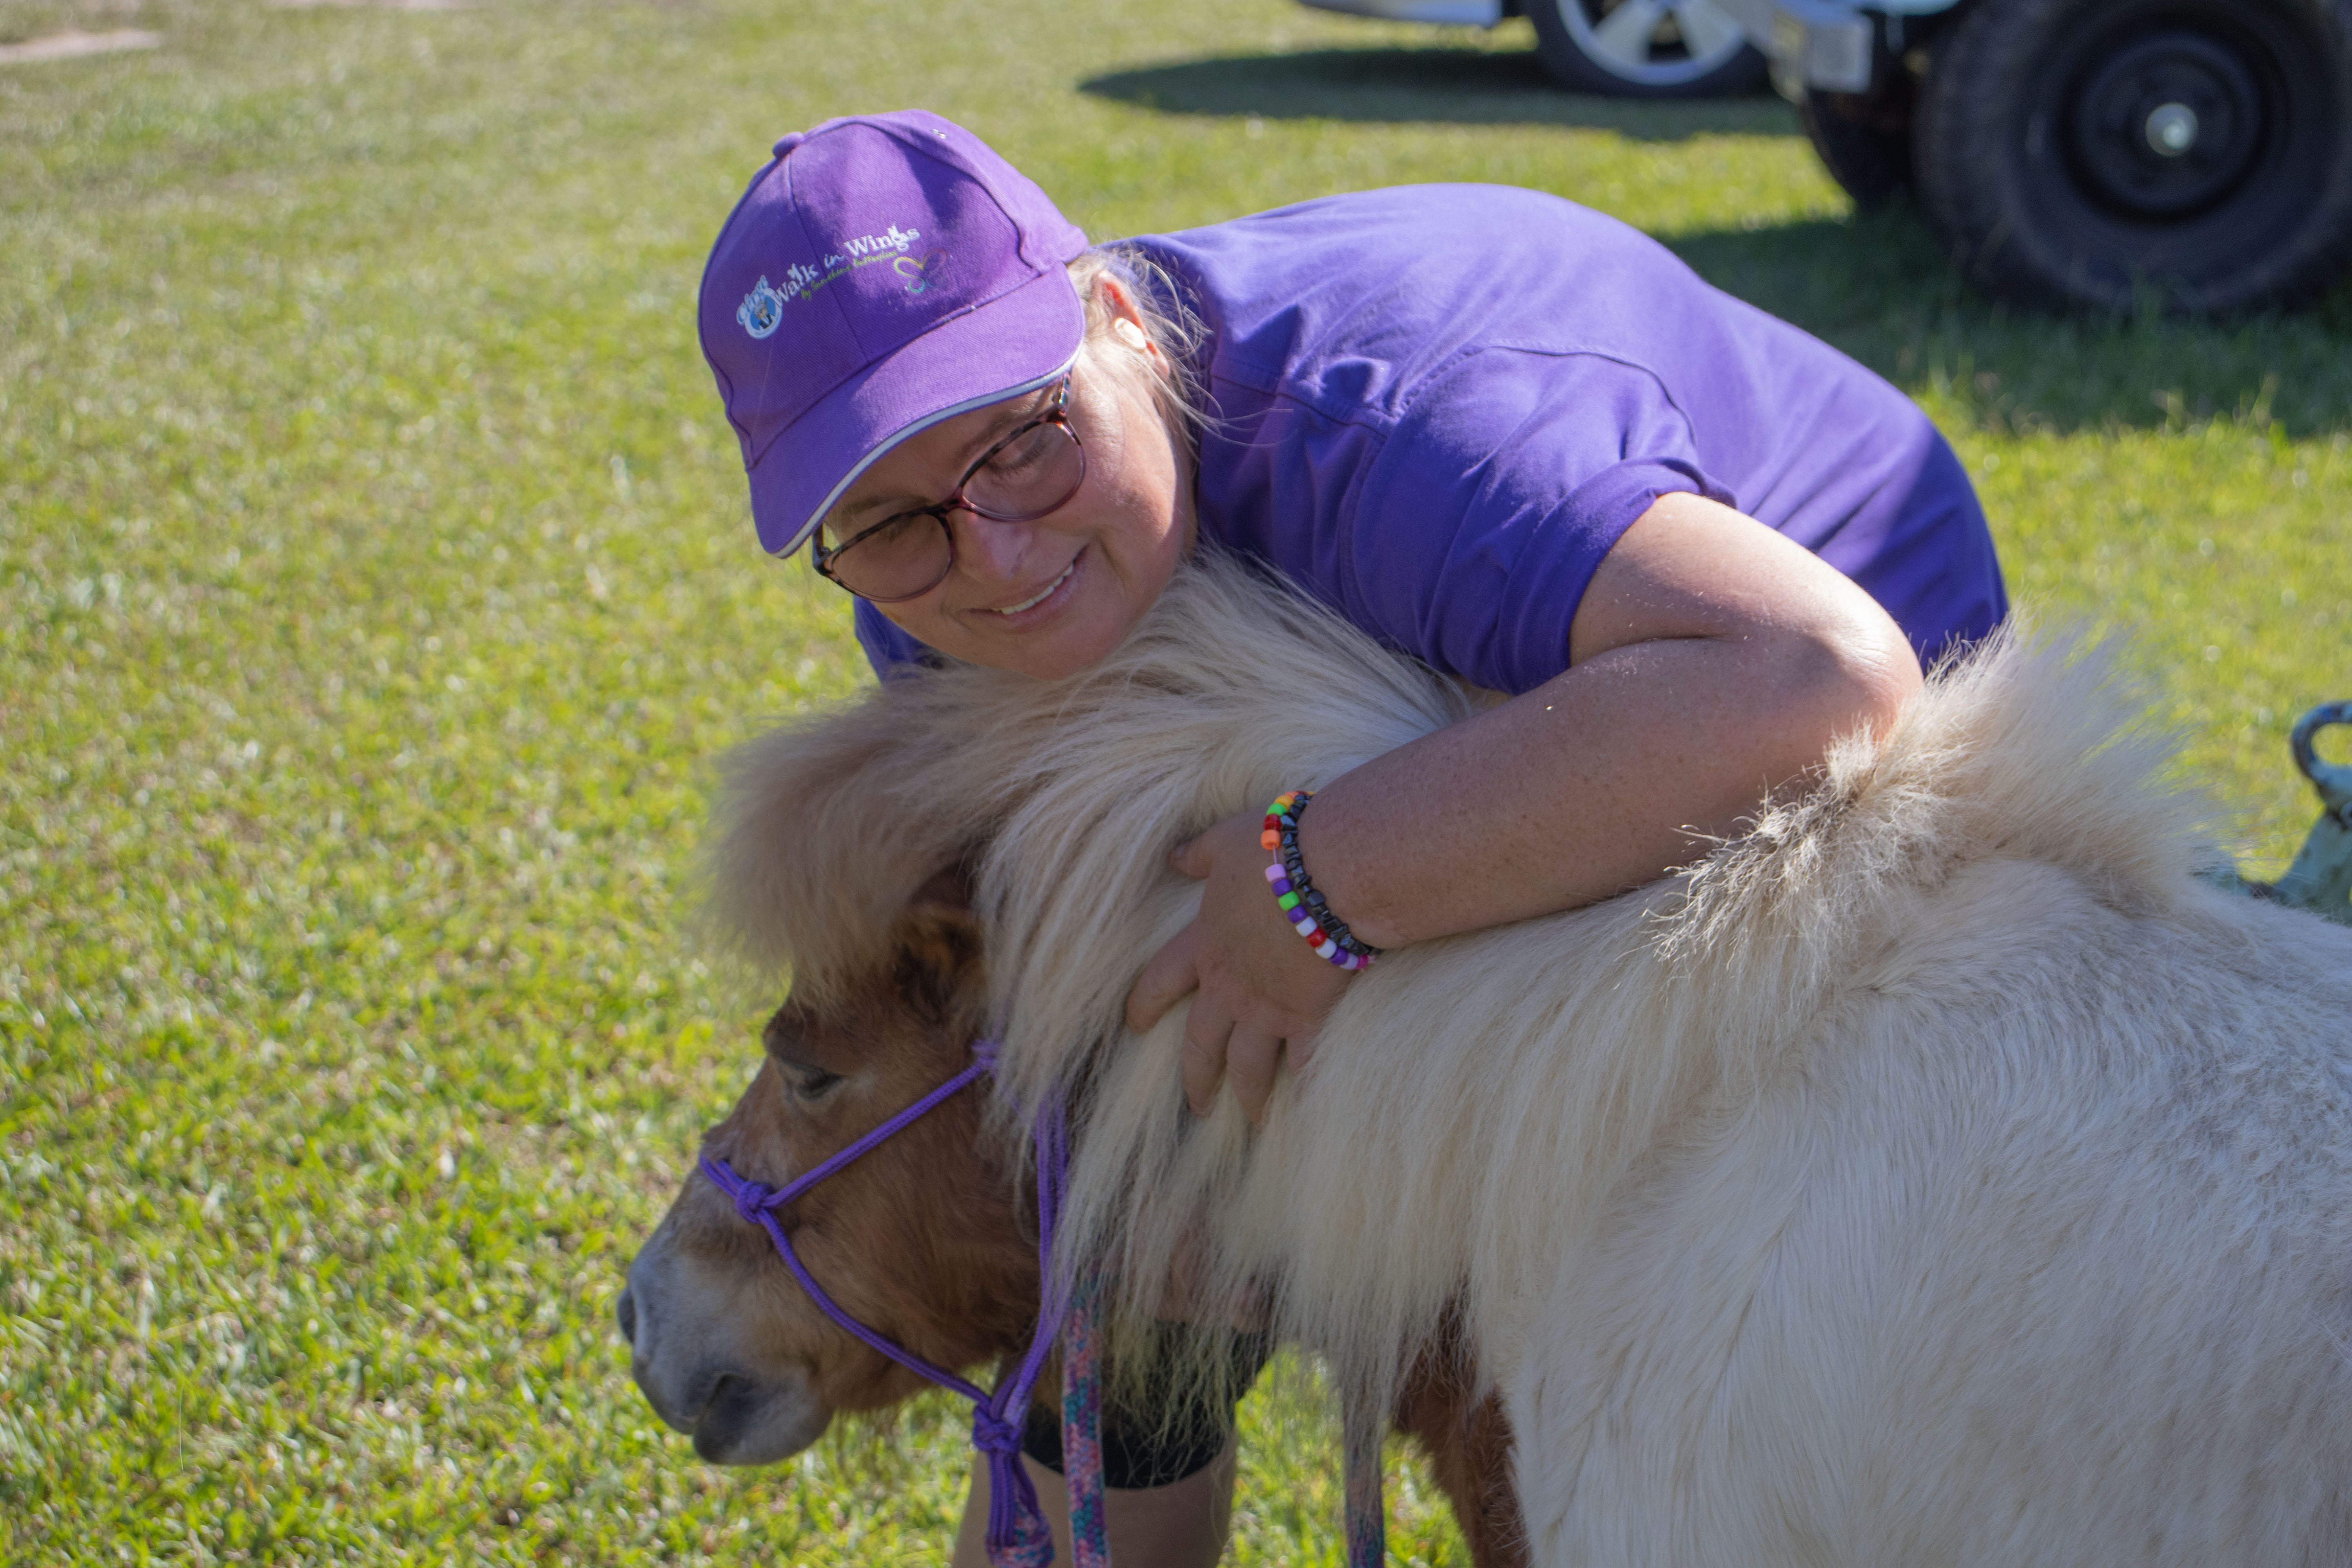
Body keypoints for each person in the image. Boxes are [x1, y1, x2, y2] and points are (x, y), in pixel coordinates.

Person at [695, 110, 2006, 1565]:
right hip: (1442, 701)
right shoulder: (931, 584)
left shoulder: (1404, 432)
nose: (993, 557)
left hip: (1783, 674)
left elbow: (1819, 679)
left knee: (1567, 1271)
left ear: (1119, 322)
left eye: (1025, 438)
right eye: (886, 521)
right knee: (1139, 1243)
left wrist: (1323, 882)